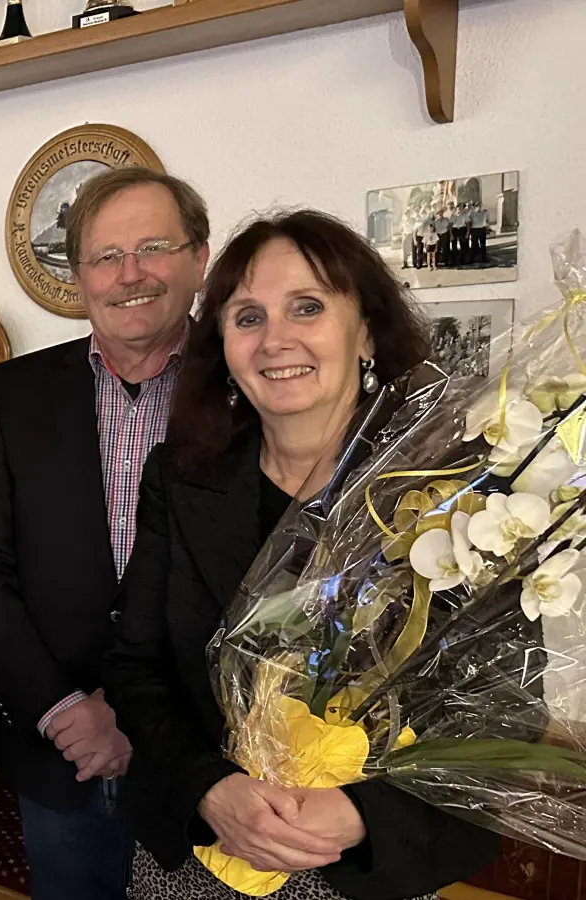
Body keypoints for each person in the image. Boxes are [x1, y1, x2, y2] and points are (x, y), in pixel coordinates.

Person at [106, 209, 500, 900]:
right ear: (223, 345)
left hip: (363, 868)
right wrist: (211, 786)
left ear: (368, 332)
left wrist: (358, 815)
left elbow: (496, 719)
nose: (274, 339)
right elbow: (138, 666)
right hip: (199, 853)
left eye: (308, 307)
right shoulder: (181, 477)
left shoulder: (452, 495)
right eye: (247, 316)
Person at [0, 166, 211, 900]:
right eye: (106, 256)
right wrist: (67, 711)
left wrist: (144, 721)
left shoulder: (247, 389)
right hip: (58, 755)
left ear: (200, 258)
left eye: (154, 247)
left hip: (206, 759)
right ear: (79, 276)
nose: (131, 274)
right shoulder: (14, 393)